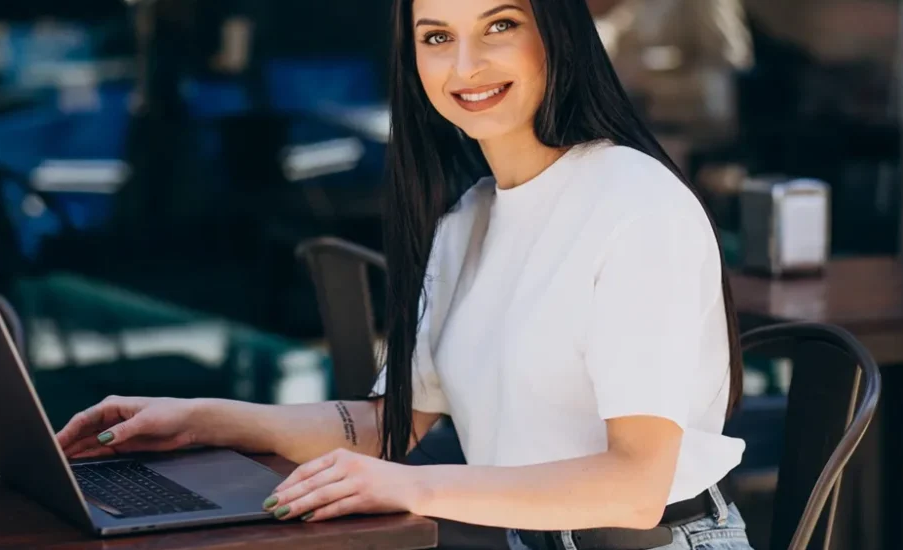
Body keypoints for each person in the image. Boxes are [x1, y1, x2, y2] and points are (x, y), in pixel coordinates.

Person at [55, 0, 751, 548]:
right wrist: (200, 421)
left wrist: (408, 488)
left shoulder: (635, 203)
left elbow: (632, 487)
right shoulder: (469, 221)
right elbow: (387, 427)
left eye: (499, 25)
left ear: (559, 35)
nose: (466, 64)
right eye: (436, 36)